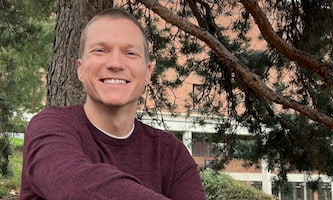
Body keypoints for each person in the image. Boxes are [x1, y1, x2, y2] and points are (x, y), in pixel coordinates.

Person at [20, 8, 206, 200]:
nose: (115, 63)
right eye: (100, 50)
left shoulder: (171, 154)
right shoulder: (49, 127)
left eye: (130, 53)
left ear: (148, 72)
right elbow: (73, 187)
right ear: (80, 69)